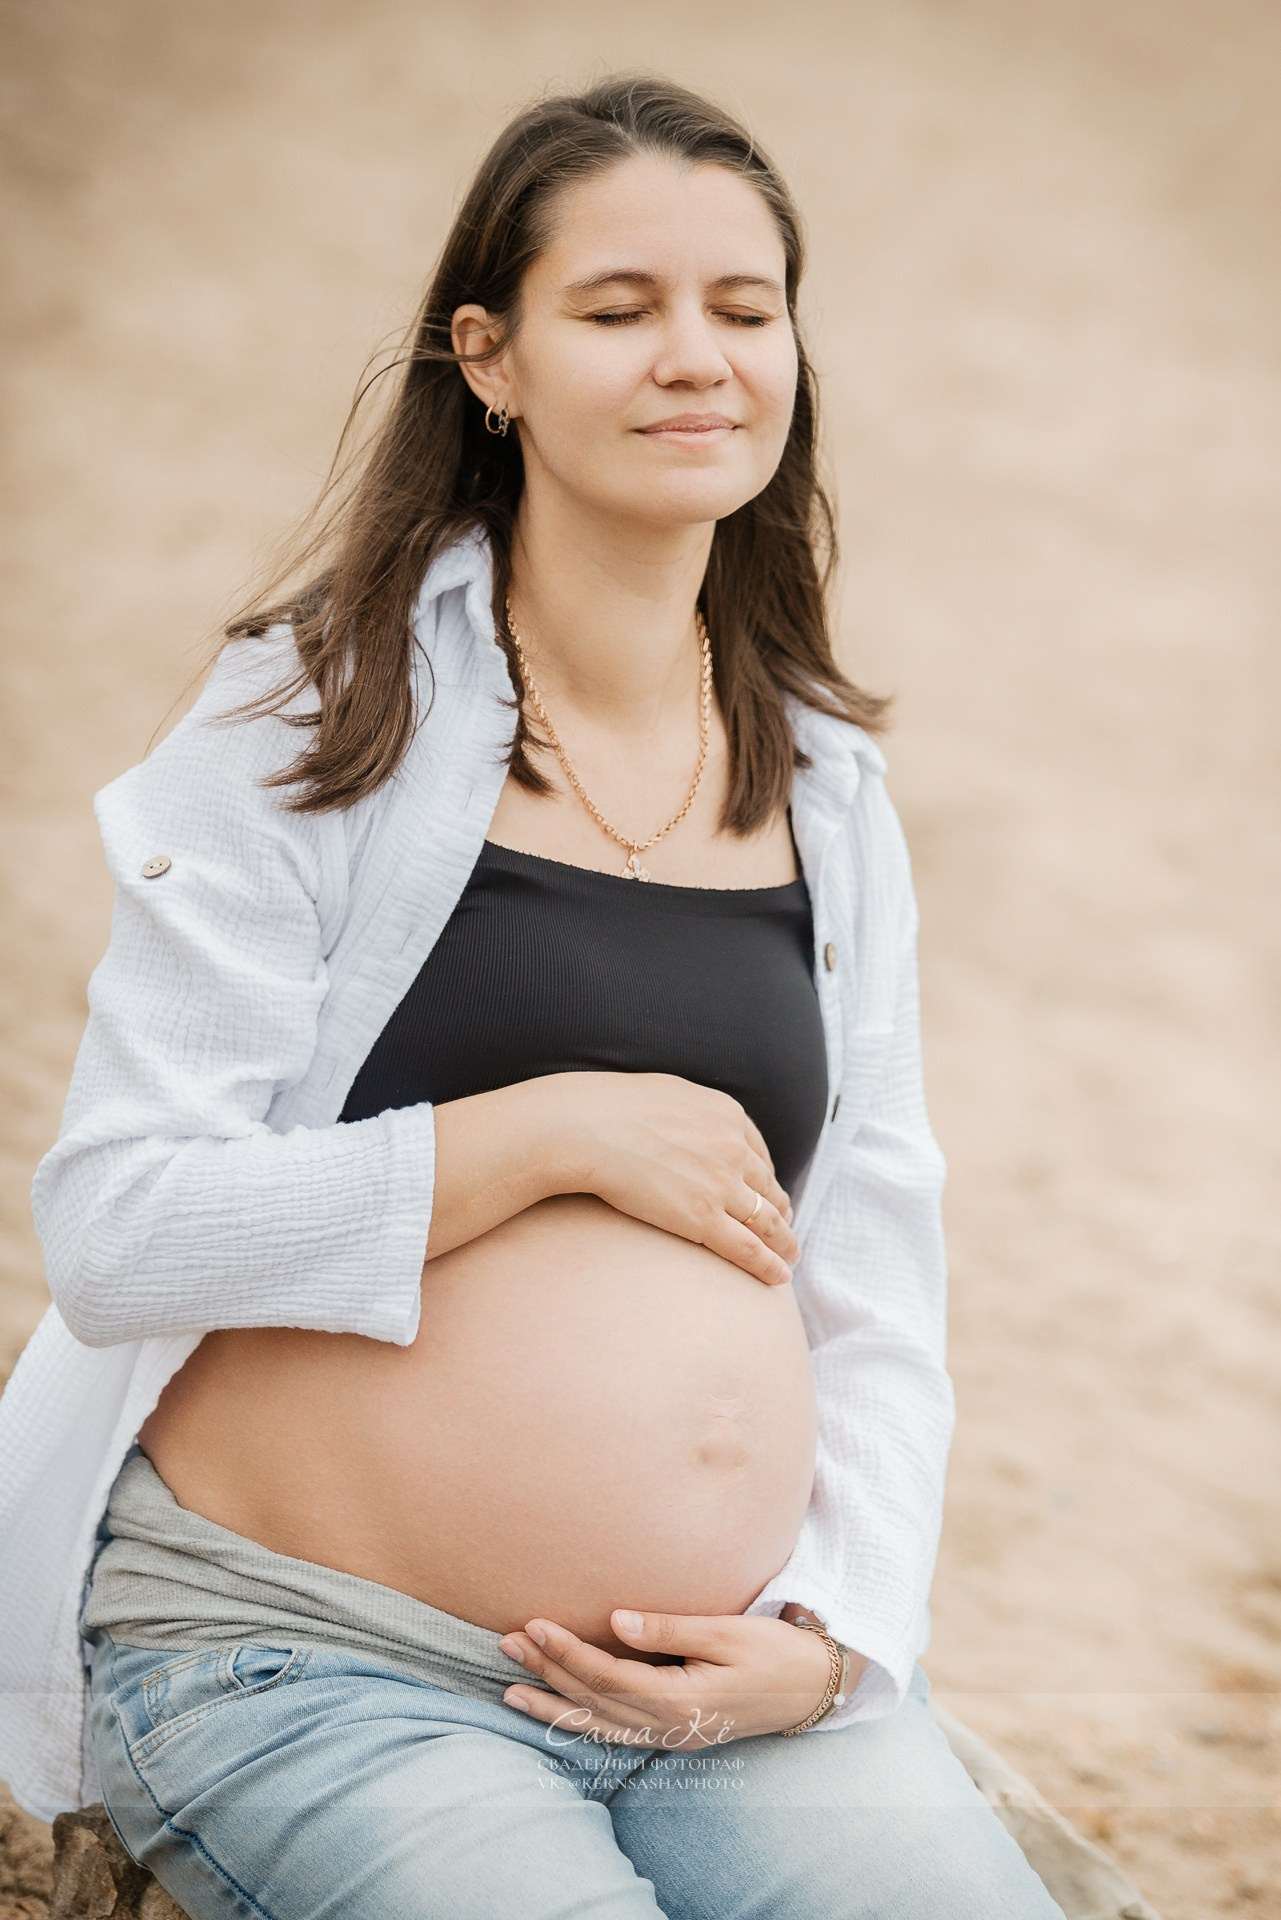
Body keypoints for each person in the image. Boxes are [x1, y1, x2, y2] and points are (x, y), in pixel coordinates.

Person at [0, 73, 1067, 1920]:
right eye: (616, 309)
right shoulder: (306, 723)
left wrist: (834, 1631)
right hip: (309, 1654)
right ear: (486, 357)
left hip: (711, 1685)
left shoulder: (824, 783)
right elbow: (116, 1229)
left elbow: (875, 1265)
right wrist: (531, 1136)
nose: (695, 360)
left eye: (744, 311)